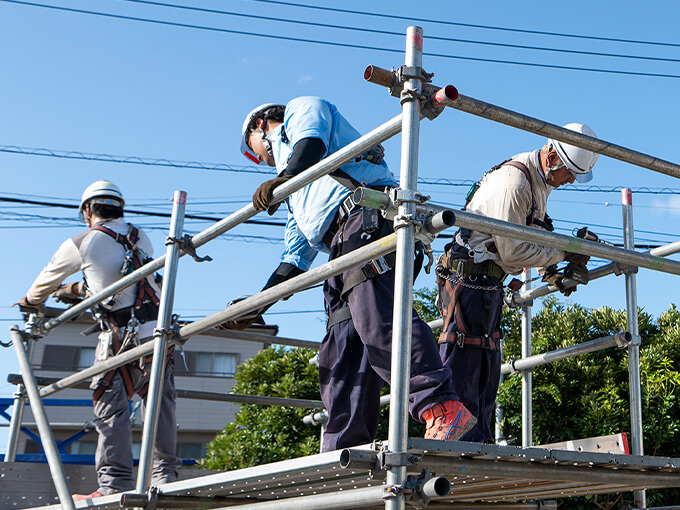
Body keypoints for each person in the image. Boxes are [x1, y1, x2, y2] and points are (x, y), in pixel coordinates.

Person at [239, 97, 476, 452]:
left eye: (253, 151)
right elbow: (293, 261)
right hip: (340, 241)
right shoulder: (296, 195)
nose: (260, 159)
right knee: (342, 344)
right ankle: (344, 449)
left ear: (259, 126)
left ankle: (442, 406)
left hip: (367, 216)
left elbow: (312, 142)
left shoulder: (299, 111)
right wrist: (258, 305)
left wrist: (283, 179)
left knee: (378, 318)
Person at [16, 180, 181, 500]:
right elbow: (124, 280)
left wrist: (30, 303)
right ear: (119, 208)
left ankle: (114, 485)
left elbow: (39, 289)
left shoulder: (82, 241)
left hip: (120, 336)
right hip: (158, 334)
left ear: (88, 210)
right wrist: (79, 290)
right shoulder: (139, 236)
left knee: (111, 408)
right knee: (160, 405)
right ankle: (165, 477)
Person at [435, 123, 599, 443]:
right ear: (552, 156)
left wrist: (552, 269)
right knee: (464, 369)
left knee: (487, 372)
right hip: (469, 280)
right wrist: (563, 251)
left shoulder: (541, 183)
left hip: (487, 284)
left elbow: (531, 235)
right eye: (570, 172)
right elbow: (513, 251)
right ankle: (453, 458)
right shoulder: (515, 182)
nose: (572, 180)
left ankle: (477, 454)